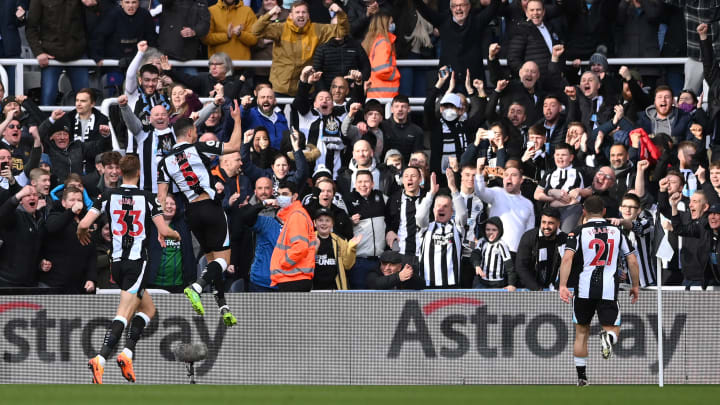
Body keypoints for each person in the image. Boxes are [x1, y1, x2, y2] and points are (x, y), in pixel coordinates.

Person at [80, 155, 180, 384]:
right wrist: (176, 234)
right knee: (124, 314)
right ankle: (101, 358)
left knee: (148, 310)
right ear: (139, 173)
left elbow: (85, 224)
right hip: (137, 262)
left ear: (121, 173)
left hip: (116, 263)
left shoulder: (107, 195)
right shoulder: (147, 198)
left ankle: (127, 353)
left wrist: (81, 232)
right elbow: (163, 230)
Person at [156, 106, 244, 326]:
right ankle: (196, 287)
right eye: (194, 130)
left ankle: (223, 307)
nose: (196, 133)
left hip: (192, 214)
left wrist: (161, 228)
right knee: (224, 261)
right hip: (211, 208)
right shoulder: (199, 147)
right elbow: (234, 146)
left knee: (212, 262)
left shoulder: (164, 162)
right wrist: (237, 120)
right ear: (189, 133)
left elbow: (161, 197)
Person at [558, 196, 640, 387]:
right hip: (608, 289)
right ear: (604, 211)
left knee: (581, 333)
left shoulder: (577, 232)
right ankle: (608, 337)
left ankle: (582, 377)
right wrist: (635, 285)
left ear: (584, 212)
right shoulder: (617, 232)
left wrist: (562, 285)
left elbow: (567, 259)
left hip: (584, 289)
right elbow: (632, 260)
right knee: (613, 328)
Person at [251, 0, 348, 96]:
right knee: (276, 112)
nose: (301, 15)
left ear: (308, 15)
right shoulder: (280, 28)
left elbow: (341, 32)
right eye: (297, 12)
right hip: (280, 87)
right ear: (290, 15)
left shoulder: (317, 29)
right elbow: (255, 31)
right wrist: (270, 14)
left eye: (304, 12)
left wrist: (340, 13)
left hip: (304, 87)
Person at [26, 0, 91, 105]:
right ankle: (46, 121)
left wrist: (93, 6)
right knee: (47, 99)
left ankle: (85, 122)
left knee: (85, 99)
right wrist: (39, 52)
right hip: (51, 56)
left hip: (78, 54)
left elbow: (94, 22)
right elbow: (31, 28)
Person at [39, 187, 96, 294]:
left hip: (80, 284)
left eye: (79, 200)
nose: (76, 203)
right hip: (56, 283)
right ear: (64, 203)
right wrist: (71, 212)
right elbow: (52, 227)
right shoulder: (55, 215)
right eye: (72, 200)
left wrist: (91, 278)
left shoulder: (87, 221)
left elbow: (92, 253)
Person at [270, 180, 317, 291]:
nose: (281, 197)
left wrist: (283, 263)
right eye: (279, 194)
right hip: (293, 277)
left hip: (293, 277)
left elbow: (300, 247)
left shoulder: (296, 216)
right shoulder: (295, 215)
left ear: (295, 196)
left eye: (285, 194)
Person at [0, 184, 44, 288]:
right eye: (27, 195)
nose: (32, 197)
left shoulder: (41, 220)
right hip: (7, 281)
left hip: (30, 282)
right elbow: (1, 215)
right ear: (21, 200)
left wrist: (41, 262)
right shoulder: (15, 216)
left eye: (35, 195)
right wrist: (16, 196)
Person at [515, 207, 566, 290]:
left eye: (550, 223)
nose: (546, 226)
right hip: (532, 289)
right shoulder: (529, 237)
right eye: (543, 222)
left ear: (558, 224)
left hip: (557, 289)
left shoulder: (565, 239)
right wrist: (536, 288)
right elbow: (521, 266)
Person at [311, 207, 359, 290]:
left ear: (332, 223)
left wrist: (352, 248)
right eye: (320, 220)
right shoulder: (308, 239)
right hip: (313, 288)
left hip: (335, 288)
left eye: (327, 220)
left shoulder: (340, 241)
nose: (324, 223)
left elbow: (348, 265)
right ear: (314, 223)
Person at [362, 13, 400, 99]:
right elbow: (381, 70)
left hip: (374, 91)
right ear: (385, 24)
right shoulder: (383, 43)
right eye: (391, 22)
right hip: (384, 93)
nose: (393, 25)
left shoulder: (371, 41)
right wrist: (396, 74)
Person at [471, 216, 513, 289]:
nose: (490, 232)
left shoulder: (501, 245)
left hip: (497, 284)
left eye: (494, 230)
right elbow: (475, 254)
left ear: (499, 231)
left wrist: (511, 284)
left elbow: (509, 266)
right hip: (482, 281)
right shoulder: (482, 241)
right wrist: (477, 265)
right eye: (488, 229)